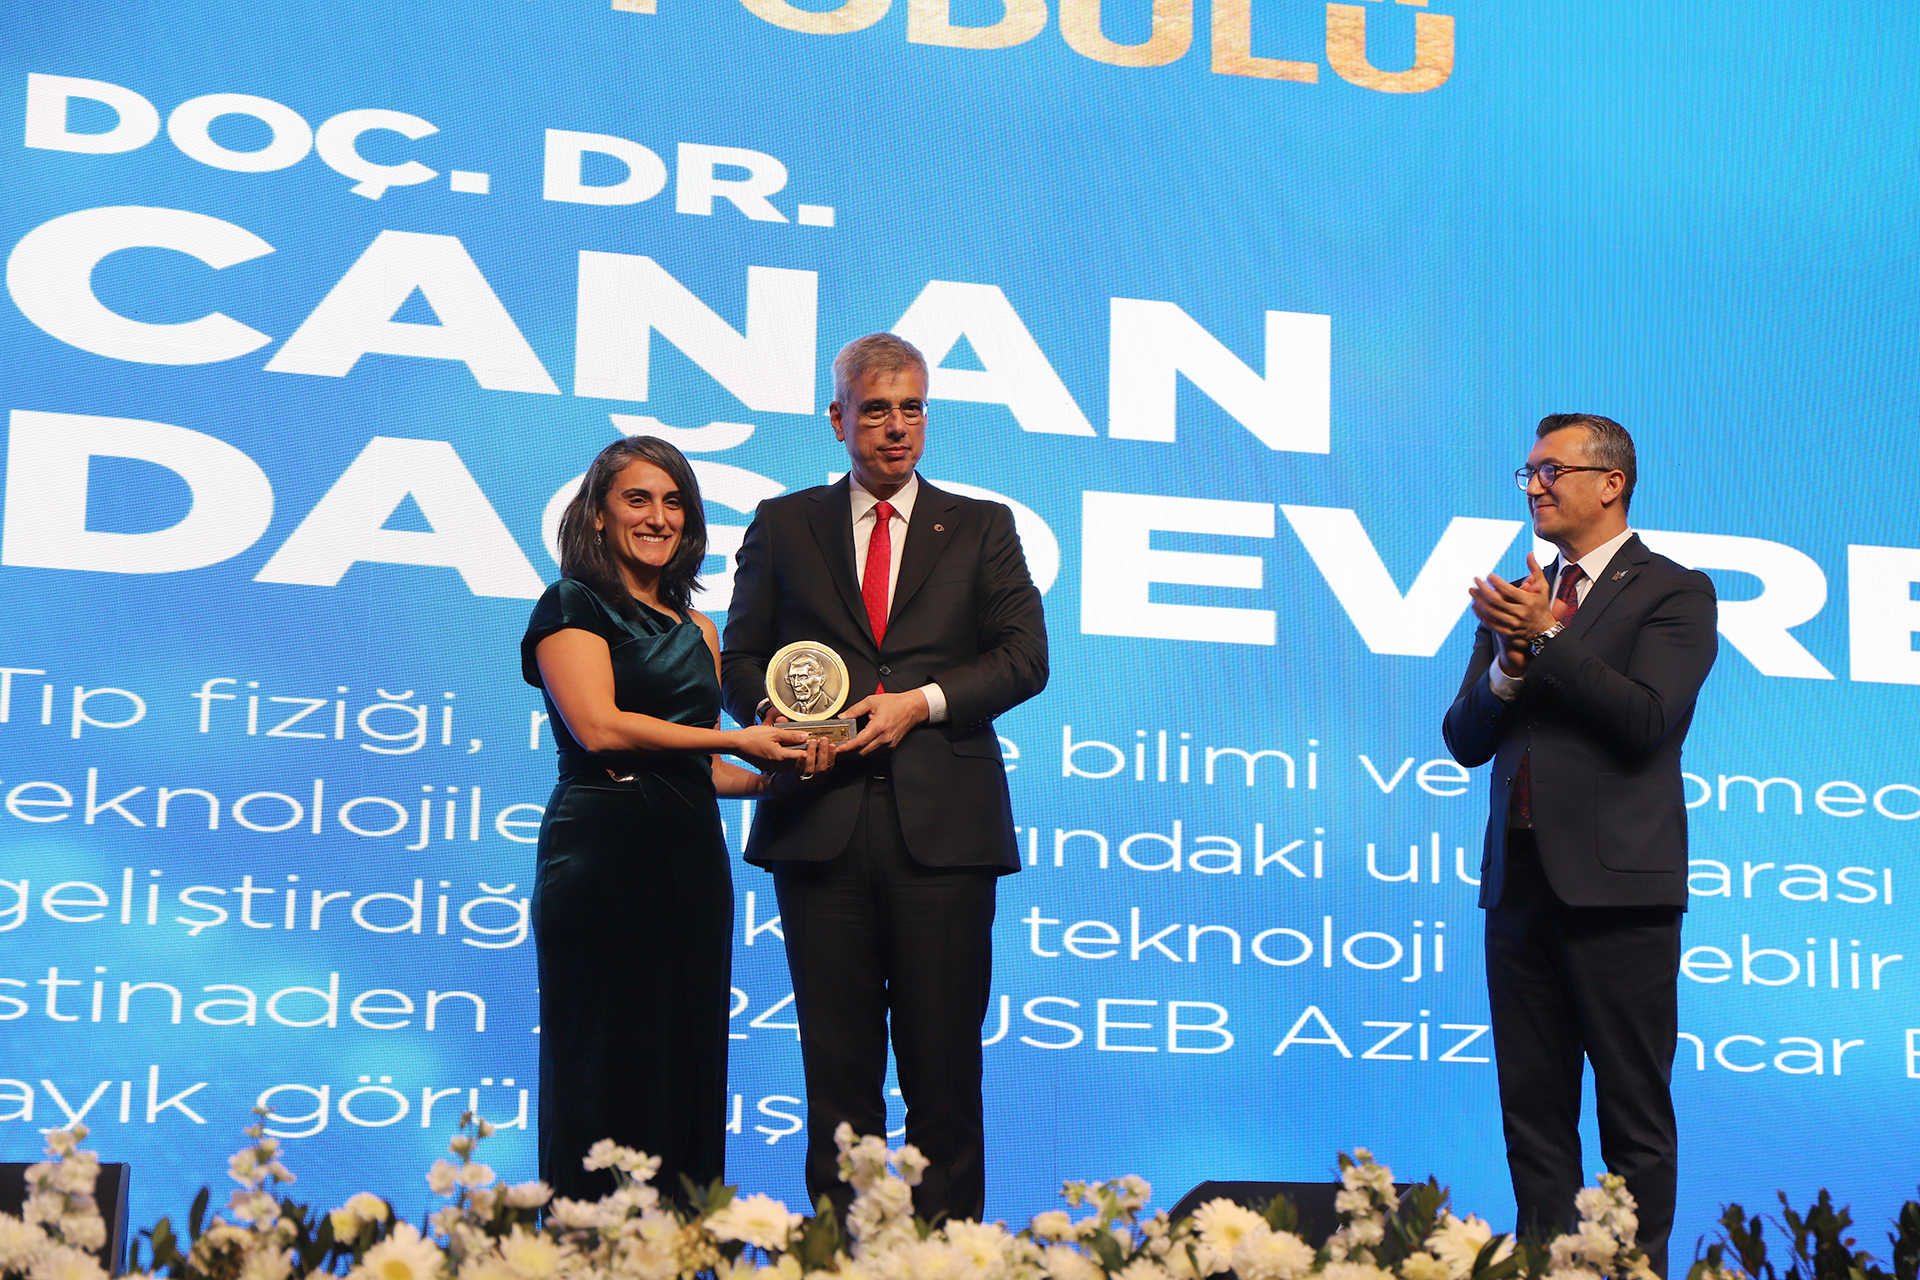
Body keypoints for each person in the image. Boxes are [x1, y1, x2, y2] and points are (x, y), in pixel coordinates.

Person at [721, 333, 1048, 1225]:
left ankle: (948, 1257)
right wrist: (776, 717)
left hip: (946, 829)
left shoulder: (982, 526)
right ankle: (841, 1255)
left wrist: (922, 703)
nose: (897, 427)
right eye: (876, 409)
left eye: (912, 408)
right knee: (837, 1076)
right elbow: (739, 658)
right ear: (838, 419)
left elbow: (1025, 657)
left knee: (945, 1073)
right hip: (818, 822)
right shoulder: (783, 524)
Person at [1442, 414, 1717, 1276]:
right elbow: (1464, 737)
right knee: (1532, 1112)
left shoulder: (1674, 591)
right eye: (1526, 473)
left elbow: (1645, 720)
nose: (1534, 486)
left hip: (1618, 890)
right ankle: (1545, 1267)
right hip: (1516, 885)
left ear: (1611, 482)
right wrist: (1509, 662)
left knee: (1633, 1113)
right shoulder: (1521, 594)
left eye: (1551, 470)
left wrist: (1548, 637)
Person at [521, 436, 827, 1203]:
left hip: (690, 860)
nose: (658, 517)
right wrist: (736, 738)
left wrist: (778, 776)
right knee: (602, 1059)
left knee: (685, 1061)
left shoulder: (700, 629)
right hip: (602, 855)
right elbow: (600, 728)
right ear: (597, 515)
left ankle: (679, 1240)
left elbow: (702, 769)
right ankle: (588, 1239)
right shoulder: (570, 604)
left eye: (673, 501)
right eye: (638, 499)